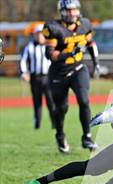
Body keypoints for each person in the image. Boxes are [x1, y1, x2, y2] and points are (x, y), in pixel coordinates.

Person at [43, 0, 100, 153]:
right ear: (62, 12)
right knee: (62, 108)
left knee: (84, 100)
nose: (72, 13)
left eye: (74, 10)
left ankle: (87, 137)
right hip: (59, 73)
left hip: (78, 69)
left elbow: (90, 43)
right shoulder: (53, 28)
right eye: (68, 10)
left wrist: (96, 62)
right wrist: (69, 53)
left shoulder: (85, 24)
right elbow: (51, 54)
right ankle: (60, 134)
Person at [20, 24, 56, 129]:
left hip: (48, 77)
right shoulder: (29, 47)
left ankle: (54, 123)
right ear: (35, 35)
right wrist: (24, 72)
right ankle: (37, 123)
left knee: (51, 101)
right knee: (37, 102)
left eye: (42, 34)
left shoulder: (49, 46)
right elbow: (23, 61)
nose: (40, 36)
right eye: (38, 34)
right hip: (35, 77)